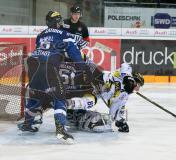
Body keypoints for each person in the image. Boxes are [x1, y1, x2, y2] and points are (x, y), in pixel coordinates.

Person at [18, 11, 91, 144]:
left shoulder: (40, 35)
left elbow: (42, 49)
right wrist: (83, 69)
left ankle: (27, 124)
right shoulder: (64, 34)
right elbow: (74, 53)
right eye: (59, 21)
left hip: (33, 67)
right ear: (55, 22)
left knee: (35, 95)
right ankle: (60, 129)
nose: (61, 23)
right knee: (60, 97)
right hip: (49, 67)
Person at [65, 63, 145, 133]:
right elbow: (124, 66)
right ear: (134, 79)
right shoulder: (126, 73)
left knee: (88, 103)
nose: (138, 89)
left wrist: (120, 121)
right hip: (97, 80)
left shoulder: (124, 96)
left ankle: (66, 105)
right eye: (138, 85)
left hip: (96, 93)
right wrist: (128, 78)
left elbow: (114, 110)